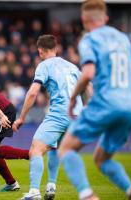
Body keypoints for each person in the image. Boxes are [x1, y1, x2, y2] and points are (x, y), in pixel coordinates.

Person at [58, 0, 131, 200]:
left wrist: (74, 96)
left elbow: (88, 73)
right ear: (106, 18)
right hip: (130, 106)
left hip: (105, 104)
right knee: (101, 159)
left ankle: (87, 196)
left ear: (84, 20)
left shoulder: (89, 40)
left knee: (66, 148)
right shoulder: (123, 39)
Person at [13, 34, 83, 200]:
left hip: (60, 113)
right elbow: (89, 87)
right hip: (78, 115)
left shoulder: (44, 65)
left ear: (40, 51)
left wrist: (21, 117)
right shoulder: (71, 66)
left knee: (36, 149)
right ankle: (51, 186)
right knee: (53, 147)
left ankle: (34, 192)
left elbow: (32, 93)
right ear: (56, 48)